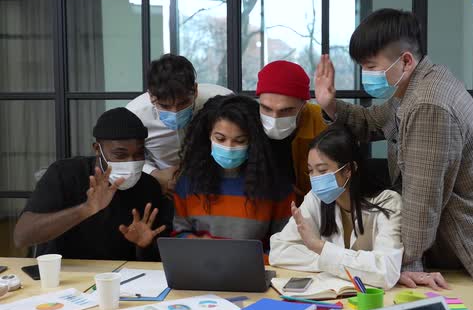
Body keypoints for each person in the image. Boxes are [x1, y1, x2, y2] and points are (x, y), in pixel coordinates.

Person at [314, 9, 473, 310]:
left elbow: (421, 200)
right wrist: (330, 105)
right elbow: (373, 122)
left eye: (371, 67)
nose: (366, 76)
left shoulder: (428, 103)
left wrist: (406, 266)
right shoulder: (415, 84)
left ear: (406, 61)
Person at [14, 108, 173, 261]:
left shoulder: (148, 186)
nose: (131, 162)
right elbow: (21, 236)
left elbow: (154, 263)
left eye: (139, 154)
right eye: (120, 155)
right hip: (65, 276)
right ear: (98, 149)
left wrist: (143, 246)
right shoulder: (65, 174)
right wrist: (85, 209)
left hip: (121, 280)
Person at [269, 126, 403, 289]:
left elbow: (385, 272)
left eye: (322, 170)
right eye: (311, 171)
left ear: (349, 170)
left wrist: (319, 246)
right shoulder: (315, 198)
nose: (315, 178)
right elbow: (279, 251)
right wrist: (335, 262)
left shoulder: (388, 202)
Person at [172, 95, 295, 253]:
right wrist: (198, 245)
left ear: (253, 142)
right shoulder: (189, 181)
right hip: (202, 268)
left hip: (256, 272)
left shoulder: (276, 184)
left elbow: (285, 245)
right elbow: (178, 235)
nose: (229, 147)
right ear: (208, 136)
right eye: (220, 139)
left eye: (240, 140)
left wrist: (251, 260)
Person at [126, 54, 233, 194]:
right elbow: (125, 155)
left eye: (183, 103)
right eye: (165, 106)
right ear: (151, 96)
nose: (175, 112)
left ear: (195, 90)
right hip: (158, 185)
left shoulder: (222, 102)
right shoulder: (134, 114)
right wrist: (154, 174)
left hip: (216, 180)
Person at [256, 60, 327, 201]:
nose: (274, 118)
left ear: (304, 104)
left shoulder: (323, 124)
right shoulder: (246, 124)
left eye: (286, 110)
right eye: (266, 108)